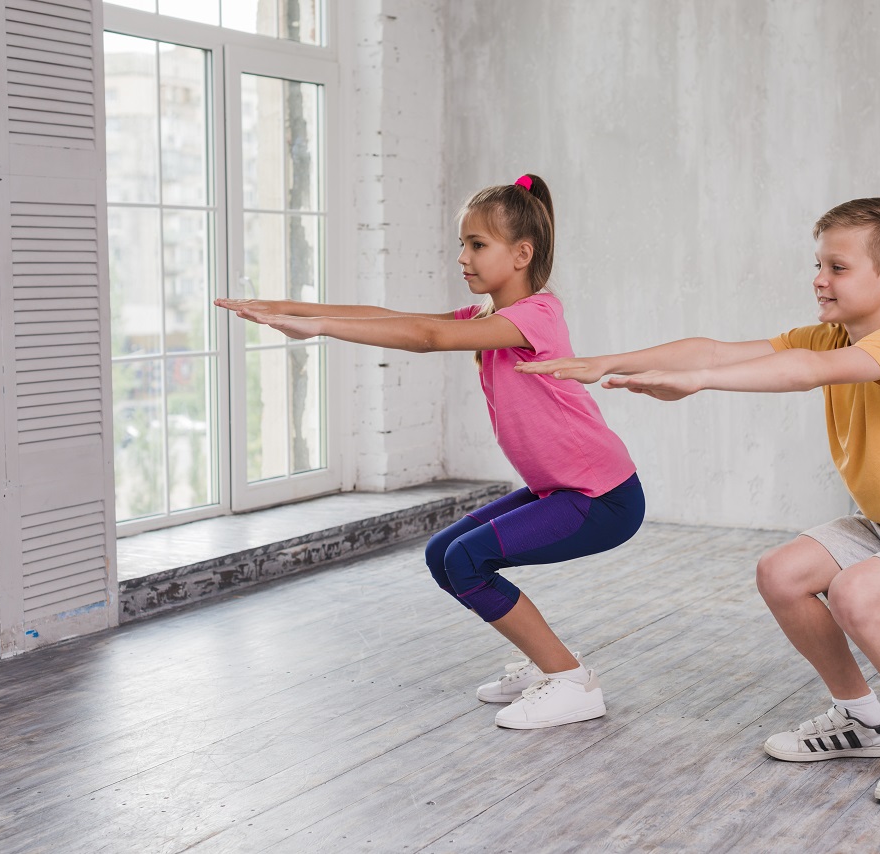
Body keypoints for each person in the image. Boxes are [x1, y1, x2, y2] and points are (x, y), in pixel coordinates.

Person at [518, 197, 880, 802]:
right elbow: (715, 351)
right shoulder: (831, 334)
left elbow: (804, 371)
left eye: (837, 267)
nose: (819, 279)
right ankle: (862, 721)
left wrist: (699, 382)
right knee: (781, 573)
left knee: (855, 593)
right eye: (819, 265)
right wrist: (604, 362)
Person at [216, 174, 645, 730]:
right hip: (563, 490)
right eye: (461, 244)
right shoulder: (488, 319)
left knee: (469, 560)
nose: (462, 257)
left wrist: (317, 326)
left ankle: (570, 683)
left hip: (602, 497)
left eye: (477, 245)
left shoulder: (537, 315)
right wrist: (284, 309)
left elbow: (426, 338)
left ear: (522, 253)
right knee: (446, 554)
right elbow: (391, 318)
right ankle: (552, 666)